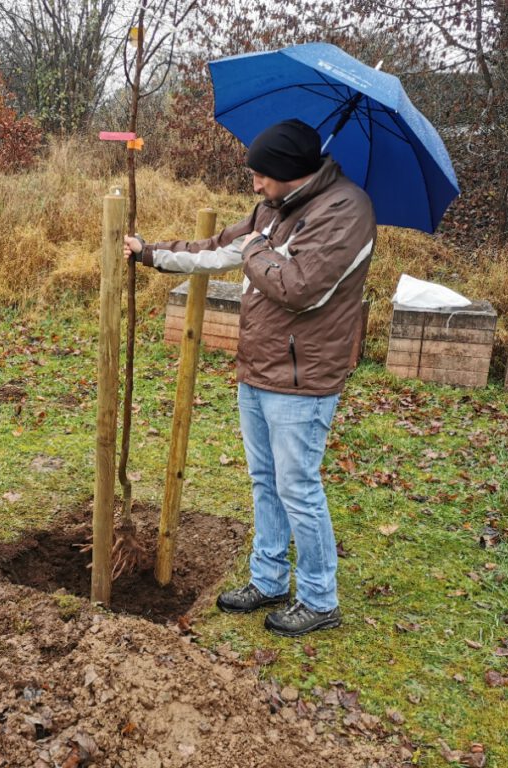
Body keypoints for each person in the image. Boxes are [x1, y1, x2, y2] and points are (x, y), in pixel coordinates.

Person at [124, 119, 376, 637]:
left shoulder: (346, 211)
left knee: (298, 486)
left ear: (290, 170)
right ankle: (269, 579)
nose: (255, 185)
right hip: (257, 366)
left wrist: (256, 248)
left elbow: (299, 288)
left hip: (302, 378)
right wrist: (150, 252)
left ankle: (320, 599)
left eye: (262, 175)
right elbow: (219, 247)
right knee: (265, 480)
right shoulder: (274, 208)